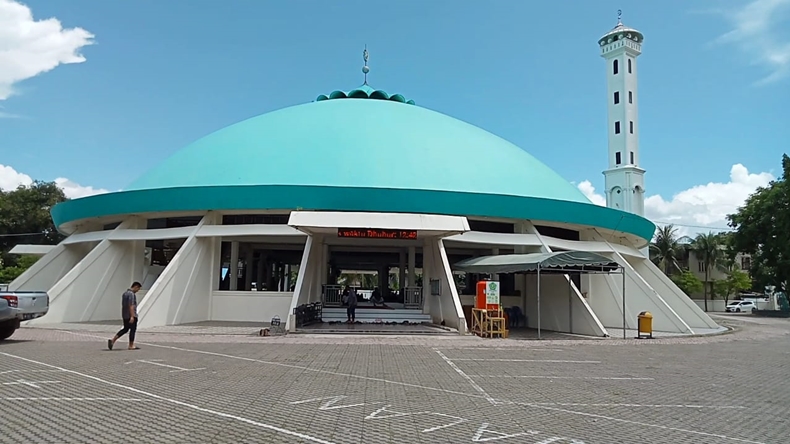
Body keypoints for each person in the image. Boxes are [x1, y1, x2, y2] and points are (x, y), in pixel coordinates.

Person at [108, 282, 142, 350]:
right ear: (135, 286)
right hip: (131, 315)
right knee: (132, 330)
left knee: (125, 329)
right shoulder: (131, 294)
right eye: (138, 289)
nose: (138, 291)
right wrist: (132, 316)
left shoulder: (125, 293)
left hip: (125, 314)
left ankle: (113, 340)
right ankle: (131, 345)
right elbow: (131, 305)